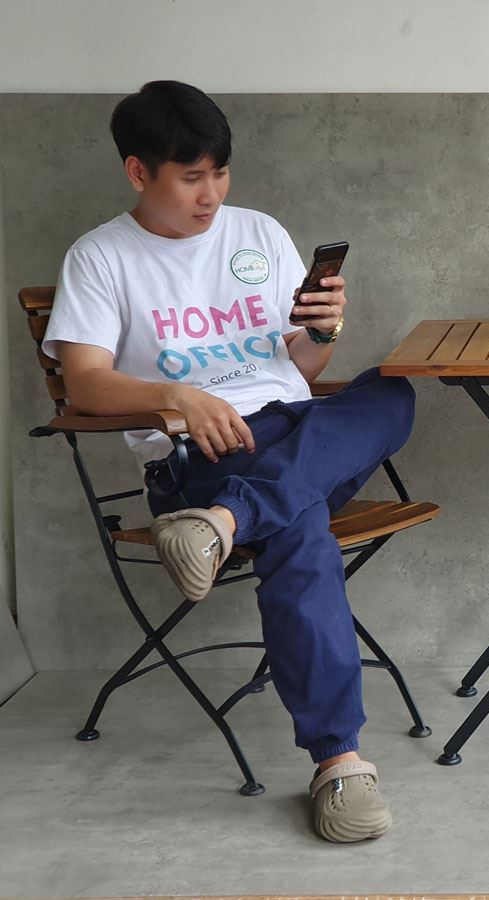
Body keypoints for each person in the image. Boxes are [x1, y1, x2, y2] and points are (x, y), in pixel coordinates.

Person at [42, 80, 416, 843]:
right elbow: (83, 384)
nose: (211, 194)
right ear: (138, 172)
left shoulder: (259, 233)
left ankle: (225, 522)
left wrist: (324, 330)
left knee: (393, 390)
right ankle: (339, 761)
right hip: (199, 455)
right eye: (191, 177)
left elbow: (299, 369)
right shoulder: (101, 257)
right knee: (300, 526)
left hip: (289, 434)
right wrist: (179, 396)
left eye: (219, 173)